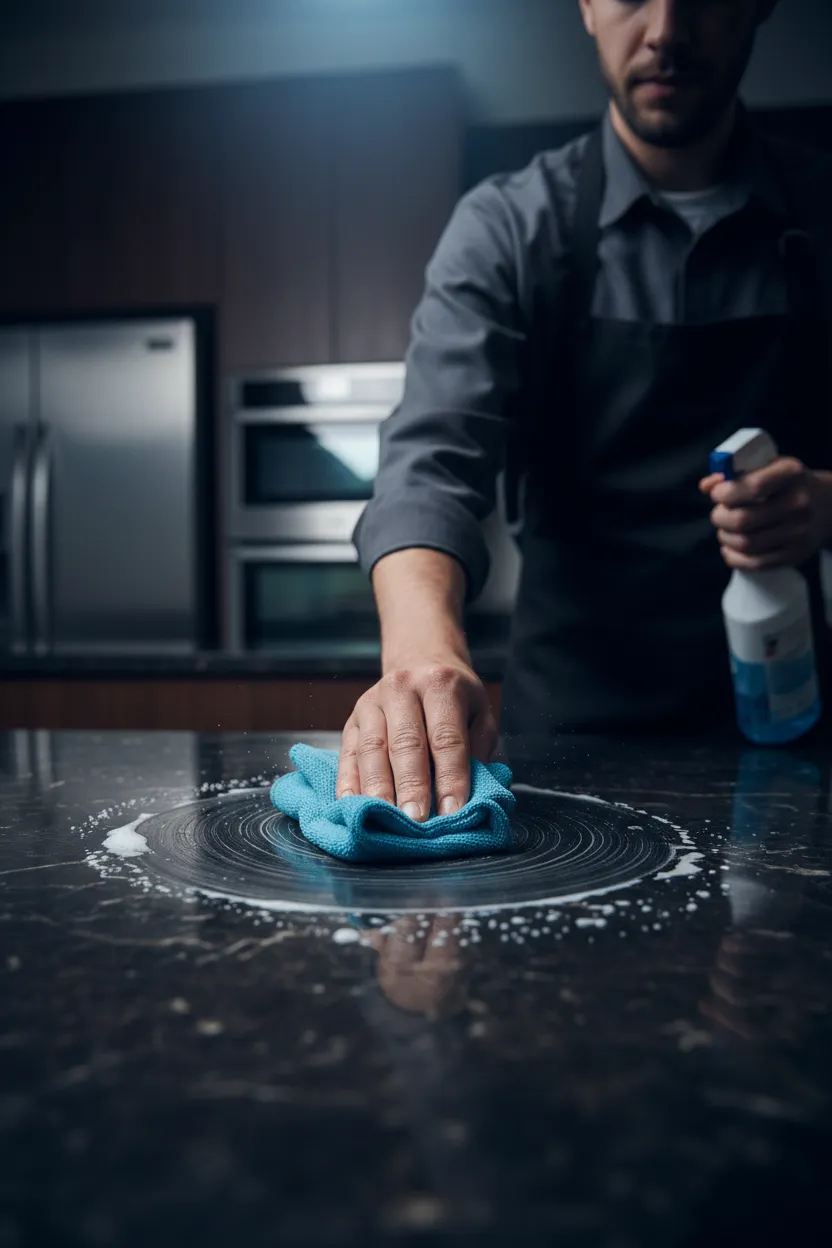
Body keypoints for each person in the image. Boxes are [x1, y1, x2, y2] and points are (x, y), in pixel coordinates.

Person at [337, 0, 832, 819]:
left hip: (795, 735)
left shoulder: (823, 211)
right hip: (566, 744)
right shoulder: (509, 228)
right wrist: (425, 653)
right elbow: (430, 463)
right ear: (588, 6)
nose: (666, 30)